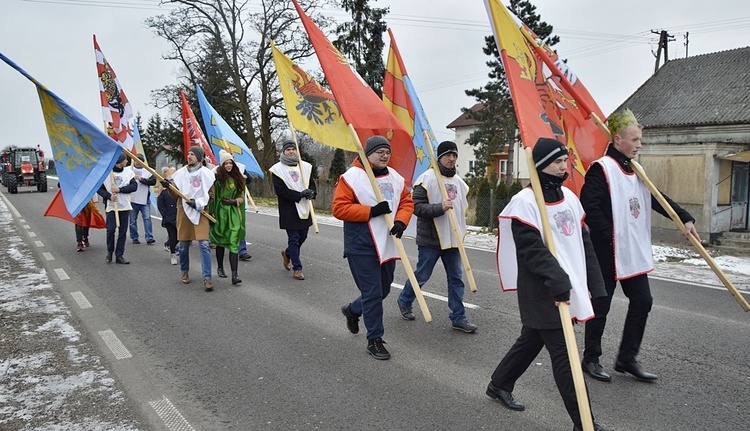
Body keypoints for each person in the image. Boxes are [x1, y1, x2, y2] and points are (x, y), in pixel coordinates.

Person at [490, 138, 609, 431]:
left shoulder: (569, 197)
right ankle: (585, 424)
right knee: (567, 358)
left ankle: (499, 383)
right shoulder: (525, 202)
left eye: (564, 161)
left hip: (566, 287)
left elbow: (584, 243)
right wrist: (557, 282)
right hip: (544, 291)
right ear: (541, 165)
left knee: (531, 340)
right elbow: (531, 251)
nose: (564, 166)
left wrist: (596, 286)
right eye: (558, 162)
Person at [580, 109, 700, 383]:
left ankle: (627, 358)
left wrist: (684, 218)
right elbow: (590, 205)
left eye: (640, 139)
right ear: (617, 139)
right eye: (634, 139)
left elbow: (658, 198)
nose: (639, 144)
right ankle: (591, 358)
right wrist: (610, 233)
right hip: (607, 250)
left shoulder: (636, 169)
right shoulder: (602, 168)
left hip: (631, 250)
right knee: (602, 304)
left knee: (643, 300)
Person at [333, 136, 414, 361]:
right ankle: (375, 339)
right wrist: (370, 211)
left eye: (387, 151)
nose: (385, 155)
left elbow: (407, 202)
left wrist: (401, 221)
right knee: (372, 293)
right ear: (367, 154)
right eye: (379, 152)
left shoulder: (395, 178)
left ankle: (352, 310)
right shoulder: (351, 178)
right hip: (362, 244)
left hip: (387, 243)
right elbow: (339, 208)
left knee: (384, 290)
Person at [396, 141, 477, 333]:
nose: (451, 159)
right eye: (448, 155)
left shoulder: (459, 183)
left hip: (452, 239)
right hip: (431, 239)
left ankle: (458, 317)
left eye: (454, 155)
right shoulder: (426, 180)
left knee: (456, 278)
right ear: (439, 157)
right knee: (422, 274)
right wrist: (439, 208)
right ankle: (405, 300)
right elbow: (416, 207)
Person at [165, 146, 216, 291]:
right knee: (183, 245)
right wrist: (168, 187)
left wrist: (199, 203)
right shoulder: (180, 174)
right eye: (188, 154)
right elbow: (176, 195)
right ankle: (185, 272)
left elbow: (211, 195)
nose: (189, 156)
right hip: (184, 212)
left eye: (193, 154)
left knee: (204, 245)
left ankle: (207, 278)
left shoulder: (207, 174)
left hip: (201, 212)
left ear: (199, 157)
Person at [269, 140, 317, 281]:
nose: (291, 151)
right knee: (294, 239)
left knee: (303, 236)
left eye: (293, 149)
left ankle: (288, 253)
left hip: (304, 208)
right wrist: (299, 195)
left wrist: (311, 193)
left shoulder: (305, 167)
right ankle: (297, 268)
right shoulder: (277, 169)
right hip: (289, 209)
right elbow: (281, 191)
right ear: (284, 152)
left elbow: (312, 184)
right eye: (288, 149)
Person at [208, 150, 246, 285]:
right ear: (222, 165)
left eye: (230, 163)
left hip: (233, 214)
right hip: (220, 213)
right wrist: (211, 213)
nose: (229, 165)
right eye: (226, 163)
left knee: (233, 242)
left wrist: (234, 201)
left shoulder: (238, 179)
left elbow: (242, 196)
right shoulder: (217, 179)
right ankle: (220, 266)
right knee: (220, 241)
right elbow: (212, 197)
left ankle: (235, 275)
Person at [97, 153, 137, 264]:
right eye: (125, 160)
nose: (127, 162)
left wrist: (120, 190)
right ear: (120, 161)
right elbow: (99, 189)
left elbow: (134, 186)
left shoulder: (128, 173)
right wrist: (109, 196)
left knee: (123, 232)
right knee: (110, 230)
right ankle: (109, 252)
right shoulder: (107, 173)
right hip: (111, 207)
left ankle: (119, 255)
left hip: (124, 206)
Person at [129, 154, 157, 245]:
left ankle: (149, 237)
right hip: (133, 199)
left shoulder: (149, 171)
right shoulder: (130, 170)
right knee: (132, 220)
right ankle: (134, 237)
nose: (138, 162)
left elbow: (153, 182)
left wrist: (141, 179)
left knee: (147, 218)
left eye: (140, 161)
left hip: (145, 199)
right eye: (137, 160)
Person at [157, 168, 178, 265]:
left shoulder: (178, 193)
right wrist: (166, 216)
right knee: (172, 236)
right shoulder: (163, 193)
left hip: (179, 218)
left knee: (179, 237)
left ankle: (173, 247)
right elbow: (161, 206)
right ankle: (173, 253)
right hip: (169, 220)